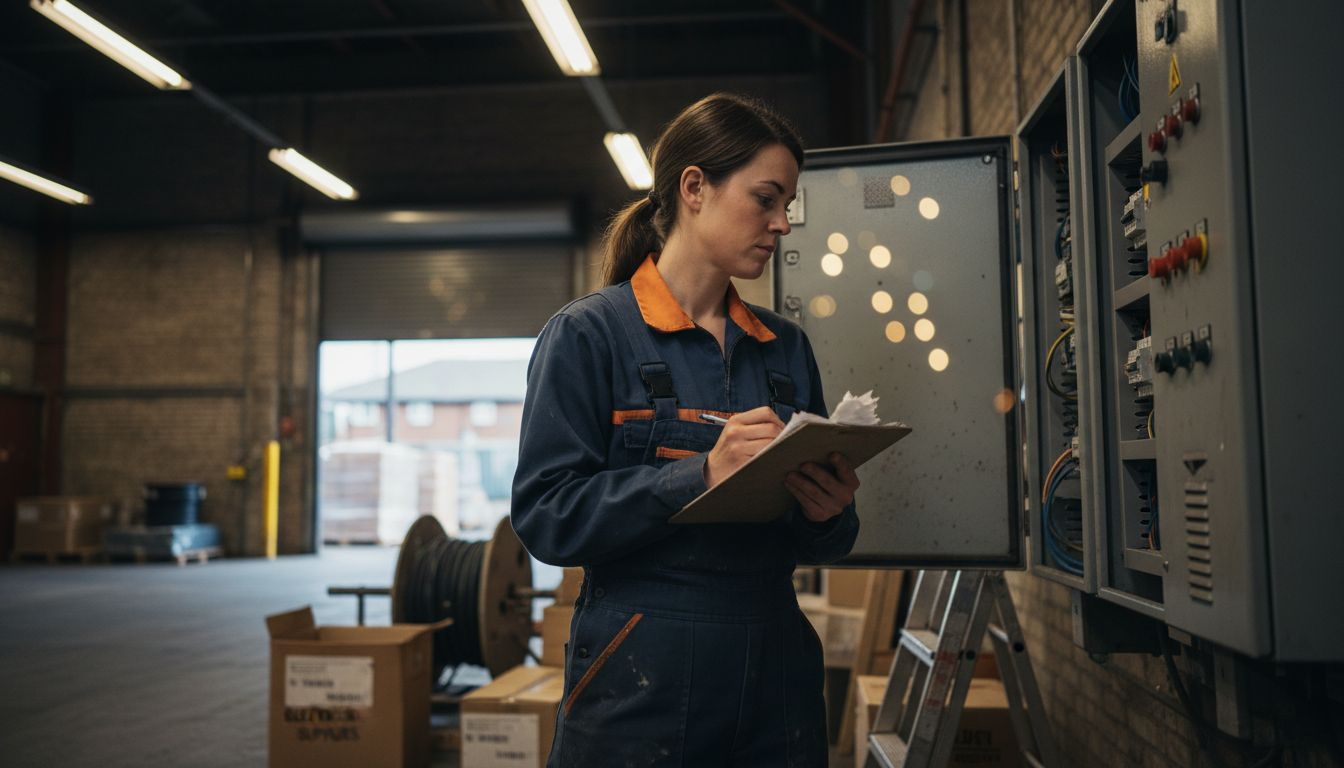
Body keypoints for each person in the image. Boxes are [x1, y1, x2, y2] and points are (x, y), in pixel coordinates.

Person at [511, 92, 861, 767]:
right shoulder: (589, 336)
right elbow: (546, 516)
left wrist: (828, 514)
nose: (782, 223)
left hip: (776, 676)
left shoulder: (785, 351)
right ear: (694, 188)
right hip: (640, 669)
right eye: (766, 199)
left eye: (789, 204)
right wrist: (696, 476)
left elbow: (827, 541)